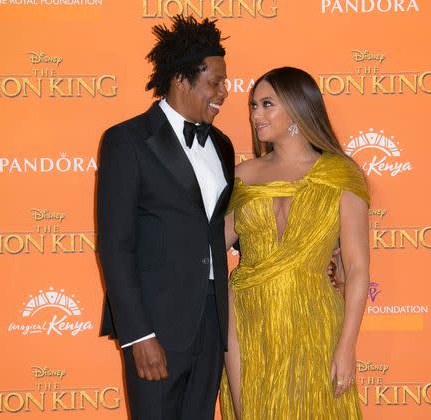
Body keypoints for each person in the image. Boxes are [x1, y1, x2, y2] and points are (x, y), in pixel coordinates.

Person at [96, 16, 234, 419]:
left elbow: (225, 227)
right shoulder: (127, 140)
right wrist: (138, 334)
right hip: (155, 324)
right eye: (215, 82)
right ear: (180, 79)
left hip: (212, 320)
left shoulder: (221, 145)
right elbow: (116, 245)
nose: (224, 92)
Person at [220, 67, 371, 419]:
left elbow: (358, 266)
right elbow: (208, 248)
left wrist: (347, 346)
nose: (256, 114)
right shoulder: (242, 175)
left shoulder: (340, 175)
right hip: (245, 317)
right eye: (254, 105)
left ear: (297, 107)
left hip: (315, 318)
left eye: (267, 104)